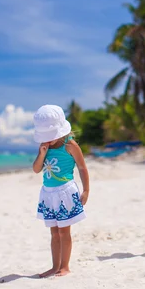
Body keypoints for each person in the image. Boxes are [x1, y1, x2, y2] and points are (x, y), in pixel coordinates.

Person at [32, 104, 89, 277]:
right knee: (54, 232)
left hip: (65, 192)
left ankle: (65, 266)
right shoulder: (45, 147)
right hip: (48, 194)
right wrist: (42, 153)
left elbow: (82, 167)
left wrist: (86, 190)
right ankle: (55, 266)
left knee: (64, 231)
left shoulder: (69, 145)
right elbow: (36, 169)